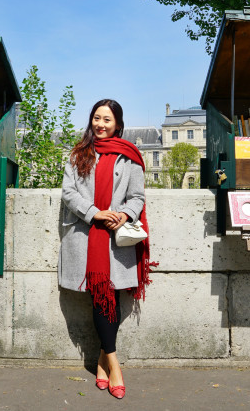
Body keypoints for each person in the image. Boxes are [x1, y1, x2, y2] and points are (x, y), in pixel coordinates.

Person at [60, 99, 155, 400]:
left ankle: (103, 361)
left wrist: (124, 214)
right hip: (86, 237)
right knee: (100, 297)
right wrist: (94, 212)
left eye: (107, 120)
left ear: (118, 124)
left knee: (110, 297)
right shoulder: (78, 154)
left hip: (116, 239)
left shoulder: (130, 157)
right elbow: (68, 193)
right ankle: (114, 364)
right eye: (96, 118)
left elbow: (138, 196)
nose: (101, 124)